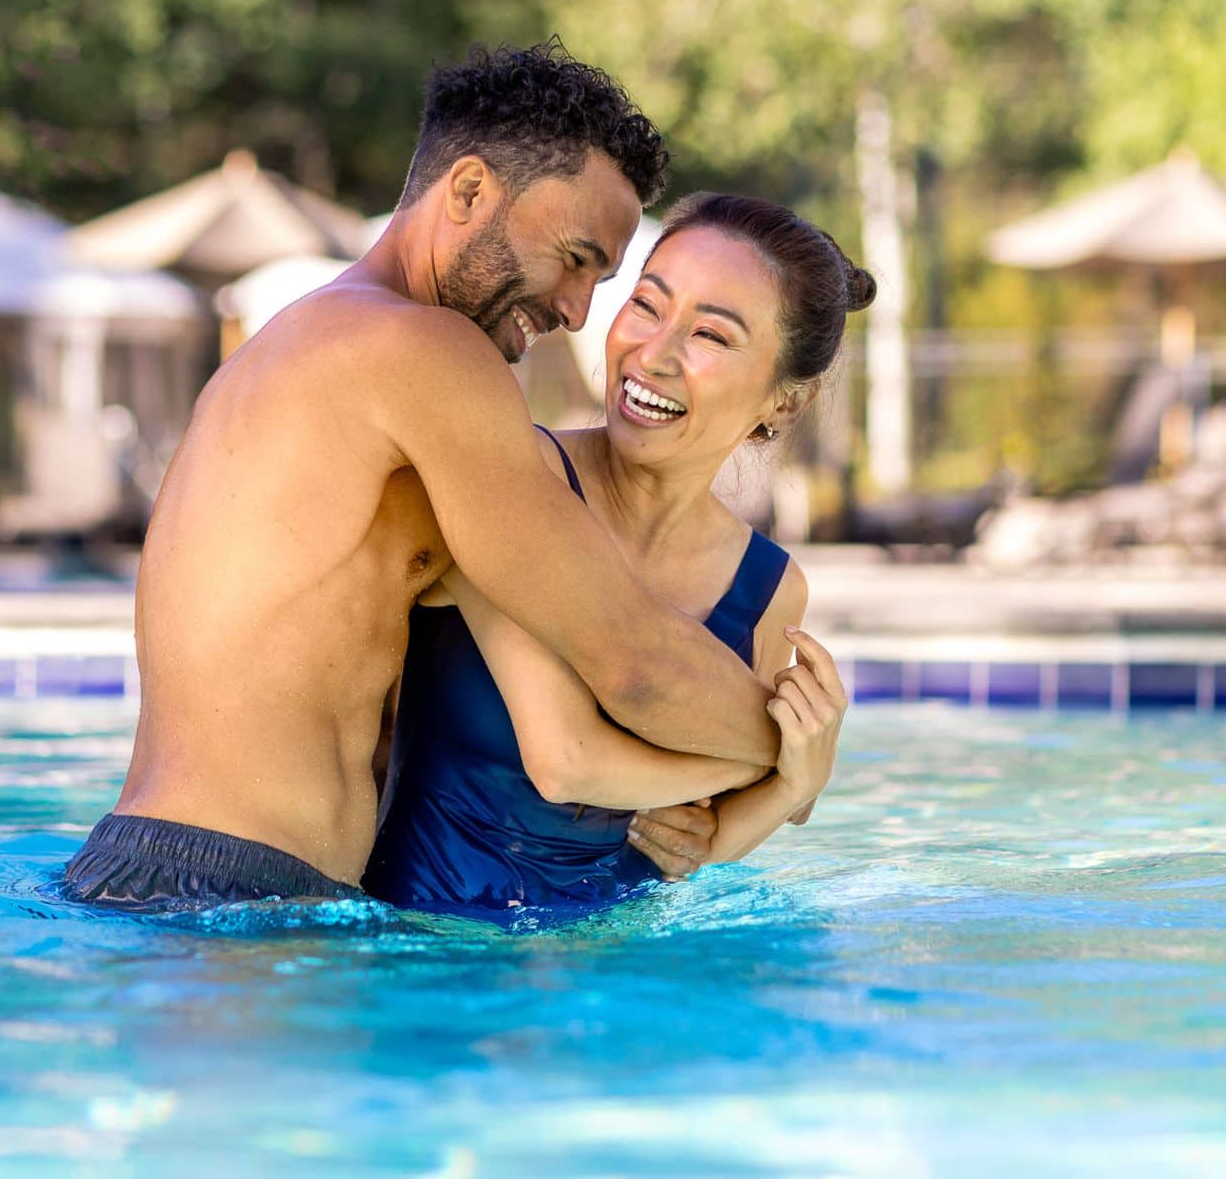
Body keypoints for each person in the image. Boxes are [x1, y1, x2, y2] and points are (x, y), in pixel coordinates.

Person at [61, 42, 781, 909]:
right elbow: (631, 663)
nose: (578, 309)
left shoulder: (303, 341)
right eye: (576, 258)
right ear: (470, 191)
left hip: (166, 868)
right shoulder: (425, 349)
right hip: (237, 896)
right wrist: (797, 745)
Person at [366, 193, 870, 915]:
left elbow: (701, 838)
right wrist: (786, 766)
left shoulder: (767, 588)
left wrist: (788, 787)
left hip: (620, 974)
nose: (653, 354)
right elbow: (563, 763)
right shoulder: (516, 476)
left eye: (712, 336)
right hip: (436, 962)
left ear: (784, 404)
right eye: (645, 305)